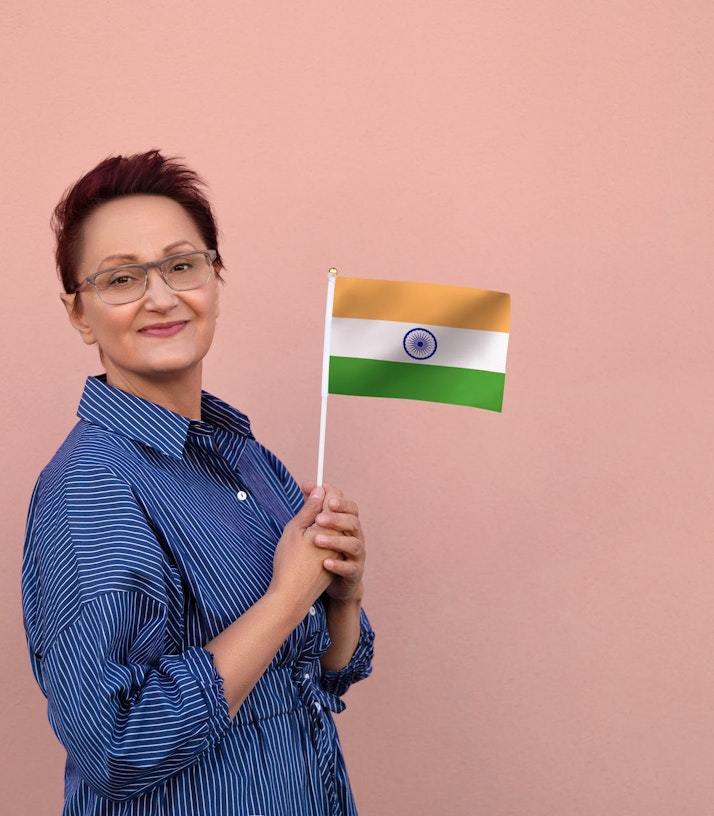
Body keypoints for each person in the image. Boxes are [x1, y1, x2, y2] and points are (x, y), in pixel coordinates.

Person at [21, 150, 374, 816]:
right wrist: (287, 595)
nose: (160, 297)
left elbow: (323, 675)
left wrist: (343, 599)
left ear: (215, 278)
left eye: (182, 265)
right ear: (79, 313)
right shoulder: (91, 486)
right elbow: (117, 745)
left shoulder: (247, 459)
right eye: (121, 278)